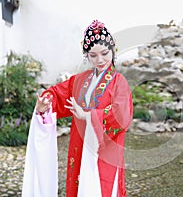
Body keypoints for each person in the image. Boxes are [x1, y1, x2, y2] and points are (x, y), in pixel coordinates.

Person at [22, 20, 133, 197]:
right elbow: (59, 94)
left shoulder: (119, 82)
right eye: (93, 55)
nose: (100, 60)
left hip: (104, 151)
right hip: (79, 145)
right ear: (87, 55)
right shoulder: (80, 80)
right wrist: (44, 103)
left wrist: (88, 116)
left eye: (104, 53)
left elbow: (121, 115)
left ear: (113, 50)